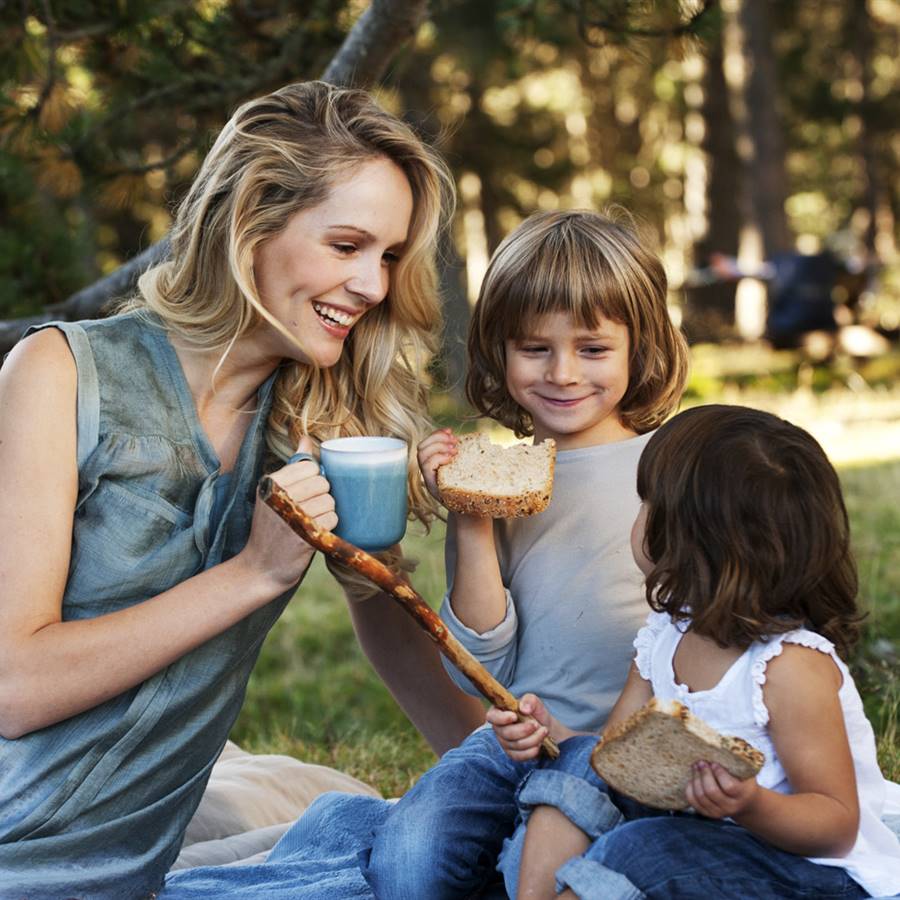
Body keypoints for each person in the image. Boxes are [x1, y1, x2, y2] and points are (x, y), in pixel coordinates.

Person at [0, 81, 485, 900]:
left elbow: (385, 623)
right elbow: (14, 687)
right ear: (251, 220)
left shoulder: (314, 423)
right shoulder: (58, 372)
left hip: (132, 867)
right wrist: (252, 574)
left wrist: (505, 763)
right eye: (346, 246)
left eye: (390, 256)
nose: (372, 286)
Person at [360, 209, 690, 898]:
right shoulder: (493, 479)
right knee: (408, 859)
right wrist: (469, 519)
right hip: (513, 743)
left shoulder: (676, 466)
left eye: (593, 349)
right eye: (534, 348)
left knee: (568, 867)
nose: (563, 373)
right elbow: (480, 661)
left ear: (642, 348)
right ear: (498, 352)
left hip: (627, 750)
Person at [491, 404, 900, 900]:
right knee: (582, 760)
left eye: (645, 504)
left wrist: (748, 804)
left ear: (688, 539)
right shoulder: (666, 632)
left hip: (809, 873)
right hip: (694, 840)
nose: (635, 519)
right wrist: (550, 733)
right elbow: (615, 754)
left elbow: (835, 825)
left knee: (642, 849)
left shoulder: (789, 668)